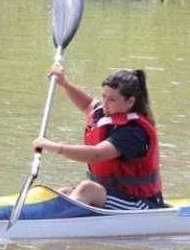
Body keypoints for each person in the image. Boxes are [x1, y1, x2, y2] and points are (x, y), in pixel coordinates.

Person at [32, 65, 165, 210]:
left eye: (112, 99)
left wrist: (54, 147)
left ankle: (56, 228)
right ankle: (38, 221)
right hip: (116, 196)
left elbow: (96, 154)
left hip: (142, 204)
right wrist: (65, 83)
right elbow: (87, 103)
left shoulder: (134, 132)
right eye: (104, 97)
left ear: (130, 102)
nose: (105, 104)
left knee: (87, 189)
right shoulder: (107, 112)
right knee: (65, 192)